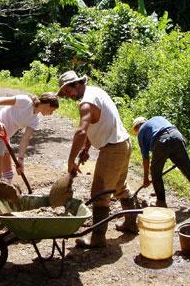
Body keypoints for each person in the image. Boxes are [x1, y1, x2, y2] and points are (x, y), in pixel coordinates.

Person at [57, 70, 137, 249]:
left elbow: (81, 131)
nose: (67, 95)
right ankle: (131, 223)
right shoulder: (96, 92)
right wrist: (86, 148)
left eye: (67, 90)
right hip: (123, 143)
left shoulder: (86, 103)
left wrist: (71, 160)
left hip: (113, 149)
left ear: (76, 84)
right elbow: (97, 123)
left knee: (99, 194)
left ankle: (98, 238)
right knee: (119, 186)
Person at [0, 92, 59, 231]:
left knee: (8, 176)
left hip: (5, 139)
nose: (51, 114)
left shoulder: (36, 119)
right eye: (52, 110)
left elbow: (24, 140)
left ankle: (2, 210)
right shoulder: (25, 101)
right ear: (48, 104)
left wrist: (20, 160)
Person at [131, 116, 190, 211]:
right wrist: (179, 160)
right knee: (189, 173)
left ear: (137, 127)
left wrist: (146, 178)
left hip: (161, 141)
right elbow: (174, 134)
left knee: (155, 174)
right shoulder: (158, 118)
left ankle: (161, 203)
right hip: (177, 136)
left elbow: (145, 158)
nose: (137, 132)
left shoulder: (141, 132)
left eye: (136, 130)